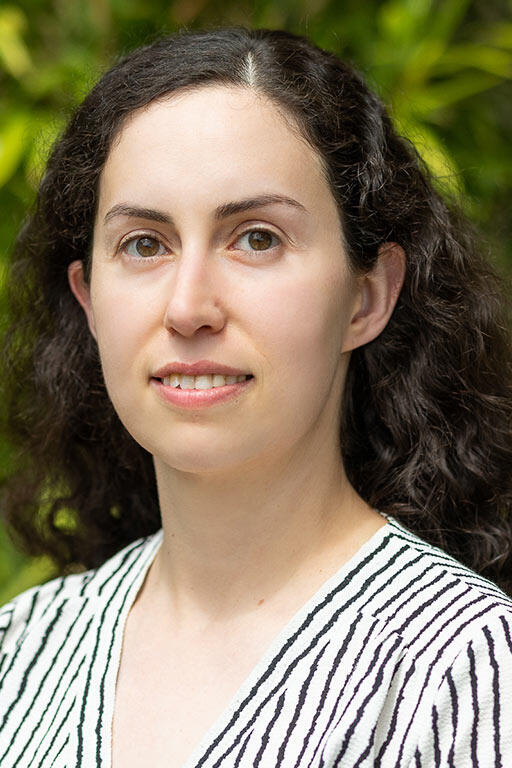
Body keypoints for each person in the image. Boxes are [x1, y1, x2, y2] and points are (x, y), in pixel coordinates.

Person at [1, 26, 511, 768]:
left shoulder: (460, 668)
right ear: (88, 299)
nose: (188, 307)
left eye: (257, 238)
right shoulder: (22, 653)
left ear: (368, 297)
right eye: (145, 243)